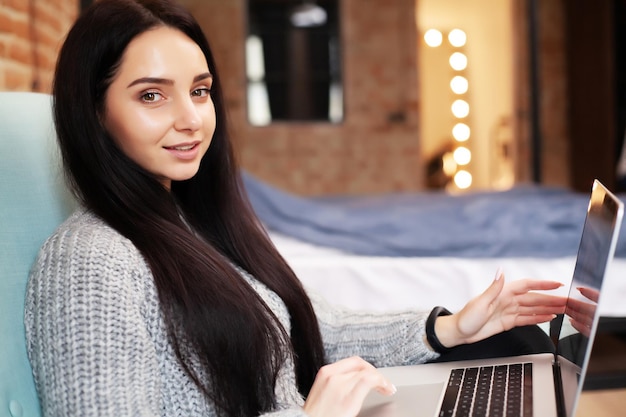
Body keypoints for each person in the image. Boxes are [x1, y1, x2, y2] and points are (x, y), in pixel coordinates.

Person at [24, 1, 566, 416]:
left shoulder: (194, 223)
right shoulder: (90, 262)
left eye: (200, 90)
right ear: (94, 114)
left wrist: (445, 329)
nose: (191, 119)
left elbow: (308, 327)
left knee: (516, 343)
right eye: (151, 95)